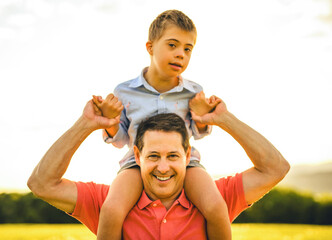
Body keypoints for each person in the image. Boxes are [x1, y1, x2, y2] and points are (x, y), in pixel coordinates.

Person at [27, 96, 290, 239]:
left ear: (188, 155)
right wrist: (85, 124)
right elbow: (42, 184)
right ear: (137, 156)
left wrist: (224, 119)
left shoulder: (214, 197)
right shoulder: (108, 202)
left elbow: (275, 168)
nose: (163, 167)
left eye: (173, 156)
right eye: (153, 156)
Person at [92, 9, 231, 239]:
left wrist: (204, 116)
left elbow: (198, 132)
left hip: (186, 163)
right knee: (111, 209)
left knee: (216, 206)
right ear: (150, 48)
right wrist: (110, 121)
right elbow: (121, 140)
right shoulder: (124, 91)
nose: (181, 55)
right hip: (136, 165)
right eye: (173, 45)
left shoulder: (193, 92)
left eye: (188, 49)